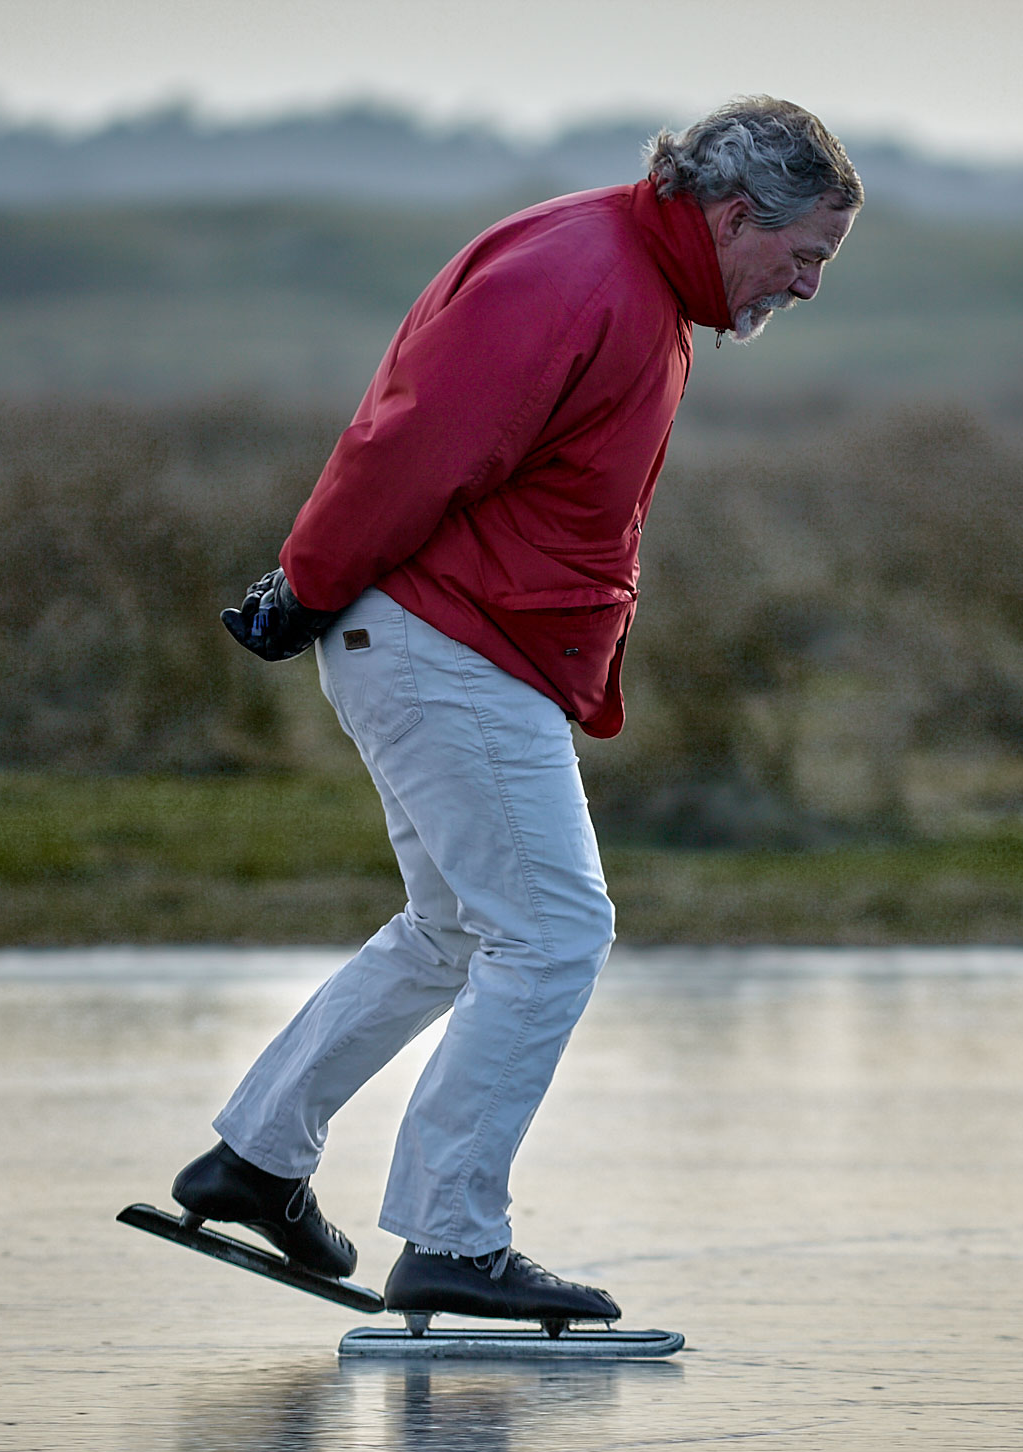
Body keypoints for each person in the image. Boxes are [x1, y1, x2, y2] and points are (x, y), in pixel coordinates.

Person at [172, 96, 862, 1326]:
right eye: (802, 254)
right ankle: (451, 1237)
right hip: (446, 645)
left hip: (456, 643)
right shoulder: (576, 274)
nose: (807, 286)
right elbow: (412, 446)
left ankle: (257, 1162)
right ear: (726, 213)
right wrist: (309, 583)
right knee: (551, 932)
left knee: (451, 929)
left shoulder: (636, 284)